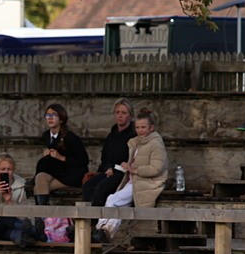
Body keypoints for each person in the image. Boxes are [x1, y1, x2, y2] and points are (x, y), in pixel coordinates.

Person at [94, 109, 168, 243]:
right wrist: (127, 165)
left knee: (112, 199)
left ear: (151, 128)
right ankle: (105, 232)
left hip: (146, 183)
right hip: (134, 180)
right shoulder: (137, 142)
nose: (140, 130)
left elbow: (156, 168)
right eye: (137, 127)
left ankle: (100, 229)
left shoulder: (155, 144)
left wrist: (134, 170)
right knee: (120, 207)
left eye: (143, 127)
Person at [81, 99, 136, 206]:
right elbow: (105, 158)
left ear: (130, 115)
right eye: (117, 112)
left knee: (102, 188)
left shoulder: (133, 136)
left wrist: (114, 170)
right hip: (108, 171)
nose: (120, 116)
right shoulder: (111, 136)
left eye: (124, 113)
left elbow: (131, 160)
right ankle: (89, 215)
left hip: (124, 174)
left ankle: (98, 215)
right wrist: (107, 169)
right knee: (88, 186)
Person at [32, 102, 89, 204]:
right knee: (40, 177)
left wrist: (62, 157)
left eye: (54, 115)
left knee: (38, 188)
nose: (50, 118)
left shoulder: (71, 137)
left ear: (61, 119)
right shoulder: (46, 135)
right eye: (48, 115)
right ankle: (43, 214)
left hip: (71, 174)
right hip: (56, 171)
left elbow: (83, 161)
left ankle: (43, 214)